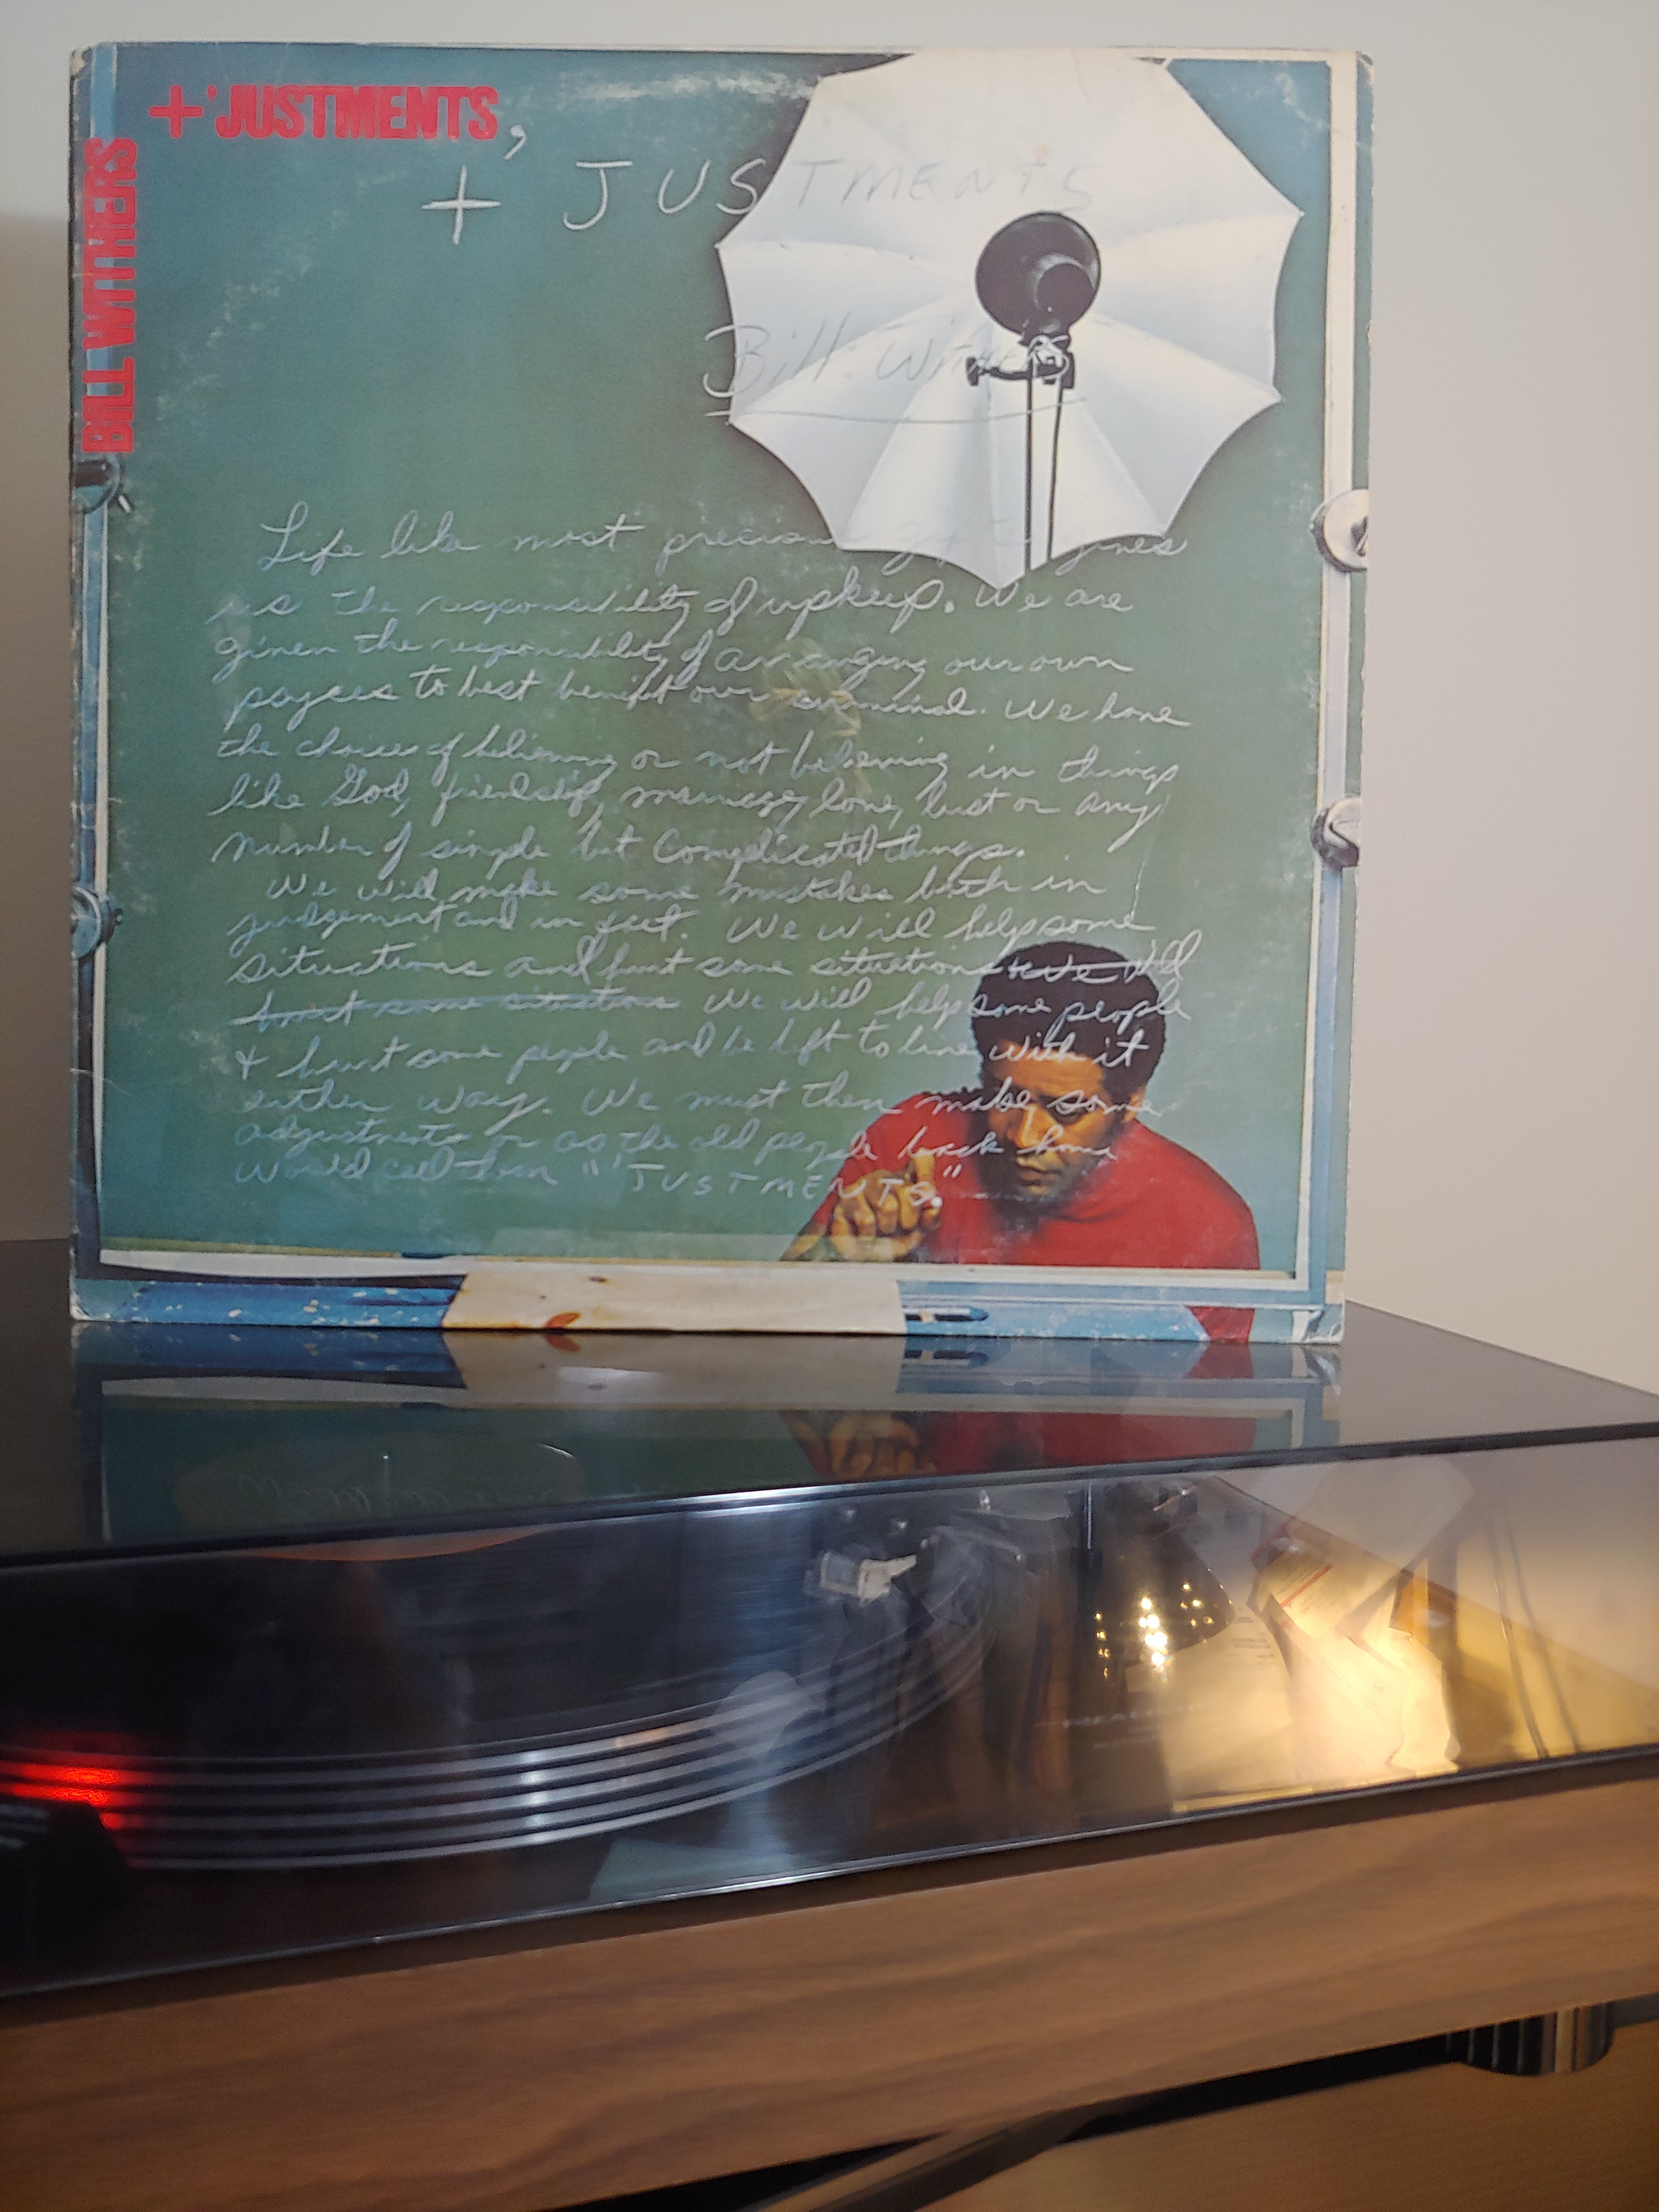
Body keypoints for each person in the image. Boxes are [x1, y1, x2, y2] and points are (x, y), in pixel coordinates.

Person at [784, 939, 1258, 1339]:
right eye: (1003, 1096)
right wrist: (837, 1264)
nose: (1024, 1136)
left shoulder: (1208, 1224)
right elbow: (776, 1323)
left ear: (1130, 1103)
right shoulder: (913, 1137)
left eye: (1066, 1110)